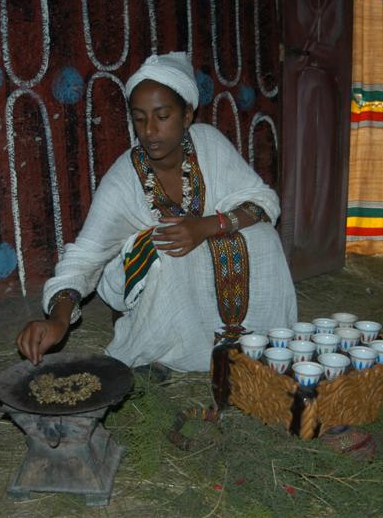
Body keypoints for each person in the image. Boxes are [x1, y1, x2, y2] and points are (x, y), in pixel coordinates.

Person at [15, 51, 297, 372]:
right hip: (146, 269)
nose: (149, 130)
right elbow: (84, 258)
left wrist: (206, 226)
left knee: (262, 237)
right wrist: (57, 320)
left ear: (187, 115)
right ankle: (159, 346)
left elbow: (263, 202)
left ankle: (252, 340)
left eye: (162, 116)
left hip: (203, 252)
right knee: (169, 245)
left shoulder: (210, 145)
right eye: (139, 117)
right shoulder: (124, 178)